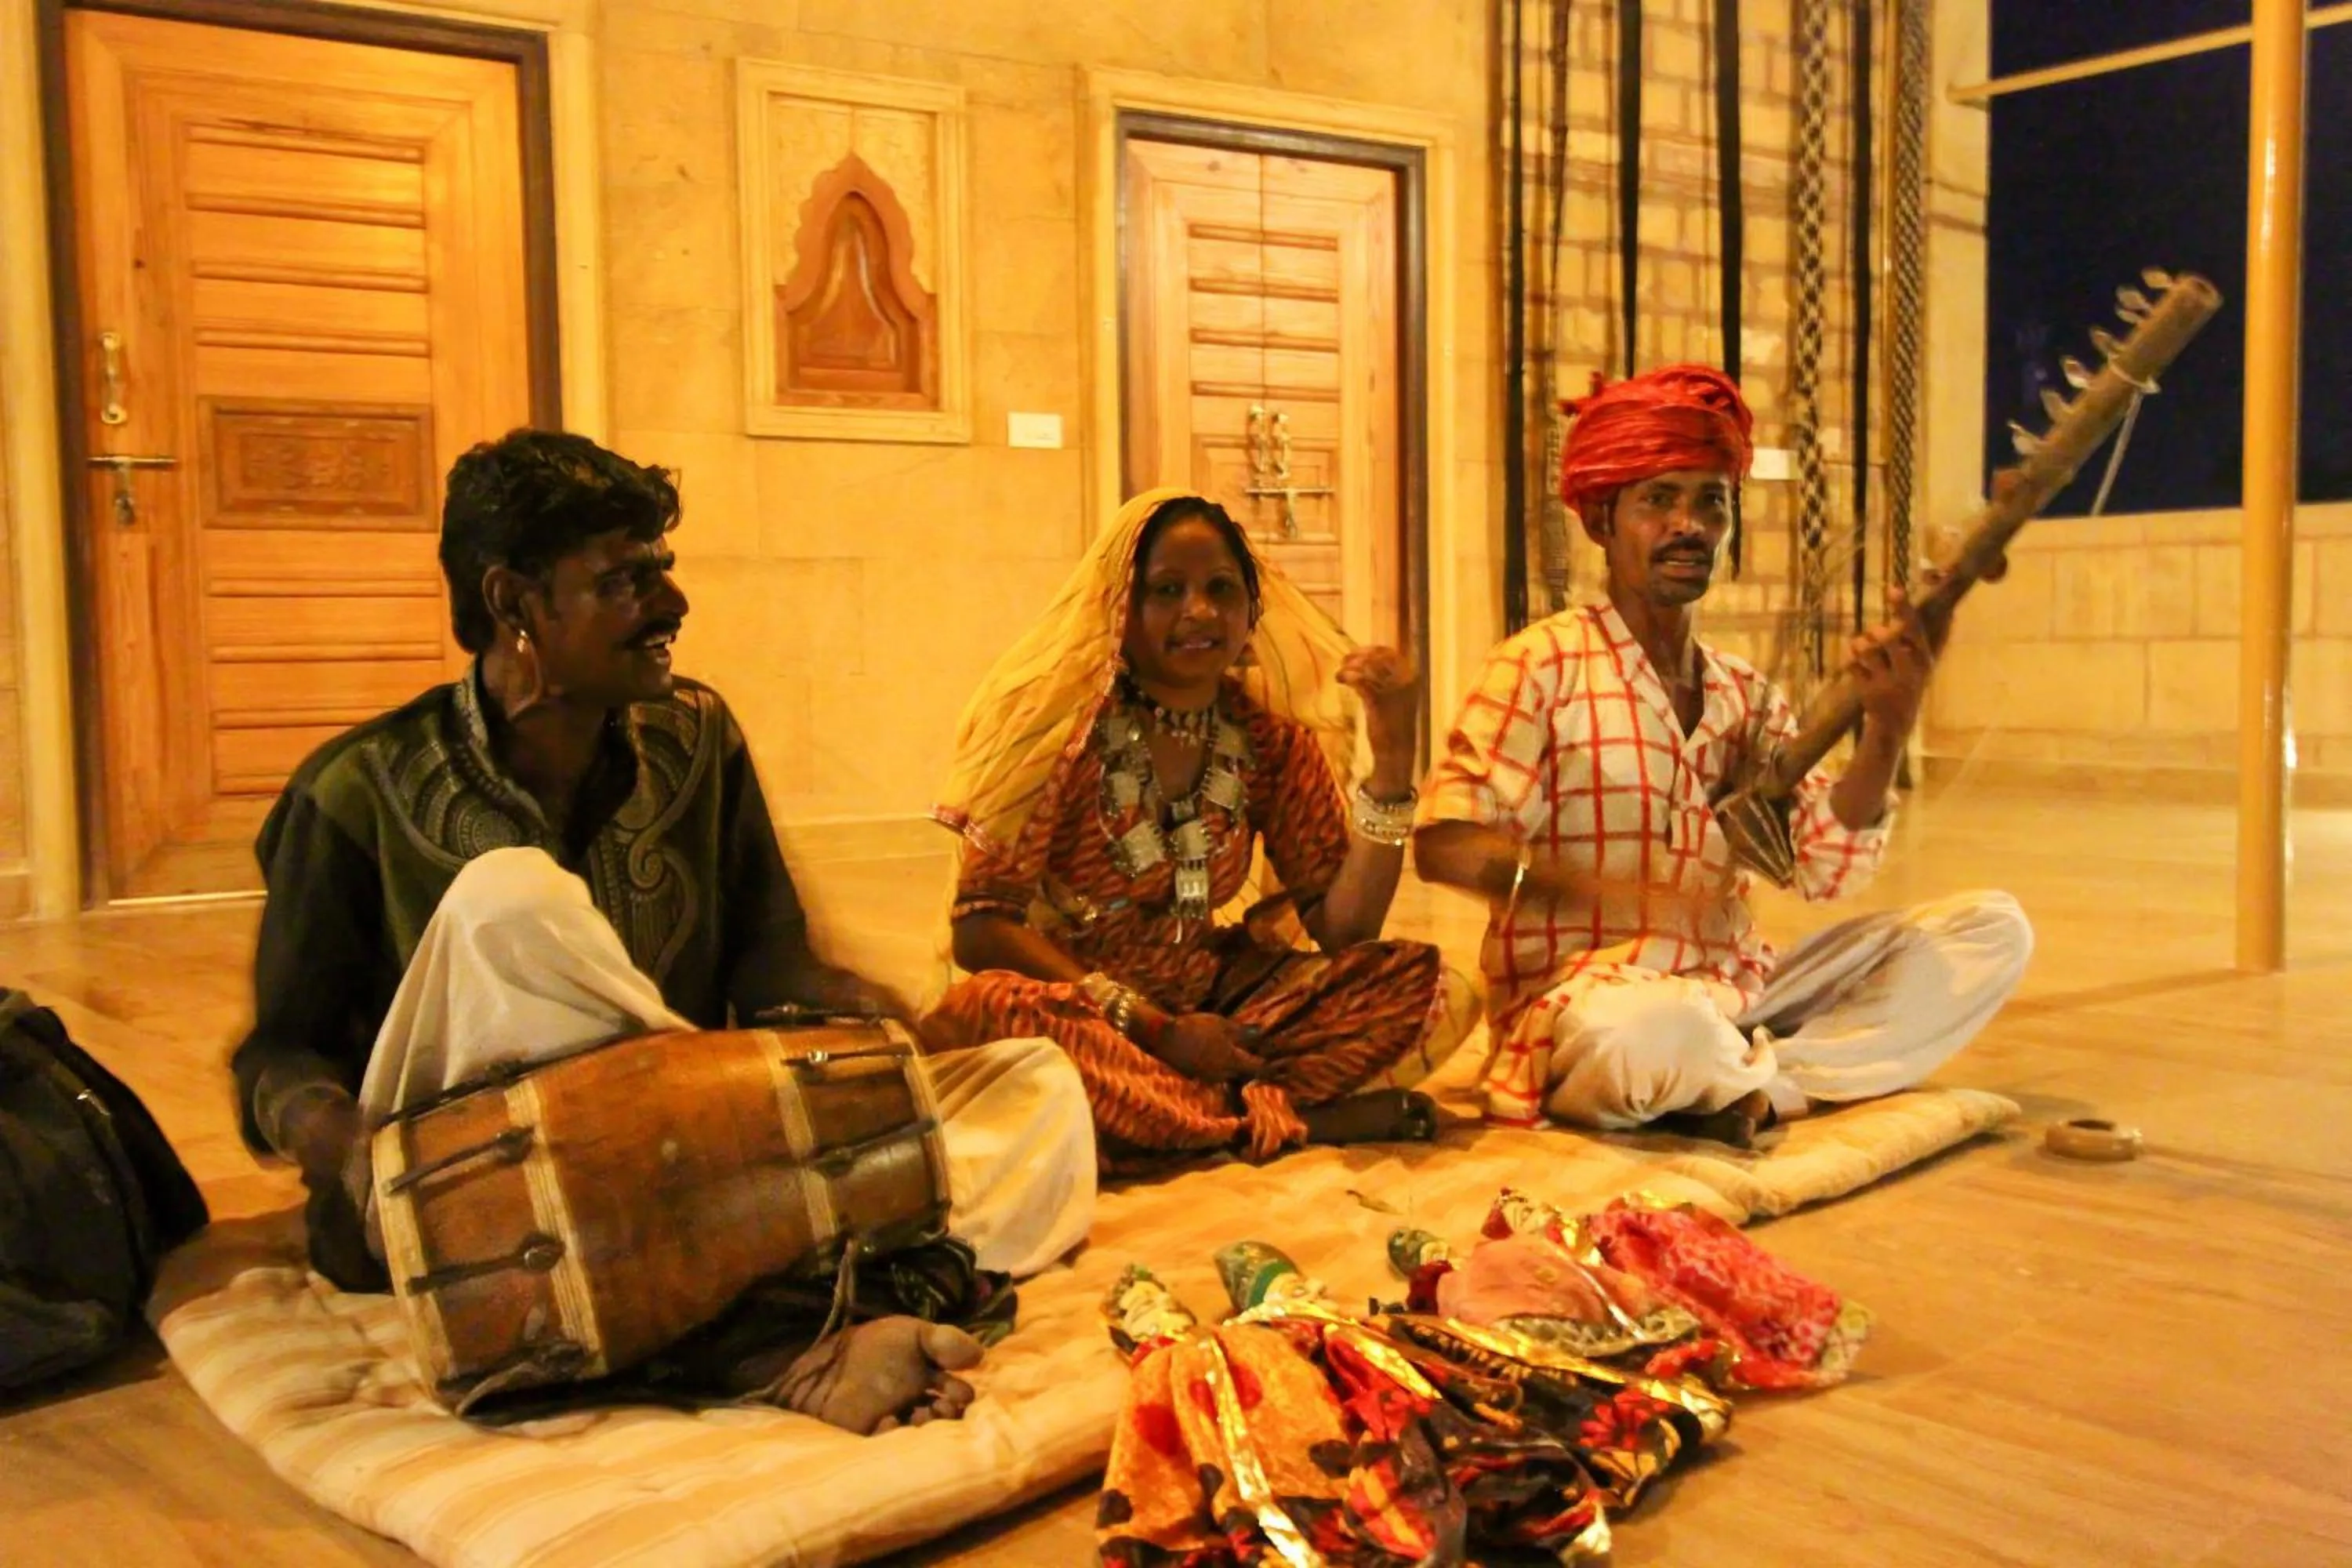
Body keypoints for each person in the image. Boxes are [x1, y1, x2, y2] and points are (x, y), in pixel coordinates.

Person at [229, 429, 1096, 1434]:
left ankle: (755, 1318)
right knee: (512, 899)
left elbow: (765, 958)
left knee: (1034, 1083)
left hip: (688, 1158)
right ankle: (793, 1330)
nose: (672, 606)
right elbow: (277, 1053)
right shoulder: (358, 788)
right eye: (625, 581)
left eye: (663, 572)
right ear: (515, 604)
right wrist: (346, 1152)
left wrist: (866, 1018)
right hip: (481, 1202)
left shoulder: (696, 736)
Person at [1413, 365, 2031, 1145]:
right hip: (1589, 1003)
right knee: (1644, 1034)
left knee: (1988, 930)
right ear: (1603, 520)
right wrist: (1613, 895)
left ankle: (1756, 1083)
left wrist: (1888, 725)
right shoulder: (1540, 666)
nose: (1690, 525)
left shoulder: (1743, 692)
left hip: (1734, 991)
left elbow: (1825, 866)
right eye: (1659, 500)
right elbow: (1445, 845)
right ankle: (1759, 1077)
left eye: (1711, 500)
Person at [927, 489, 1468, 1170]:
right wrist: (1150, 1027)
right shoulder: (1059, 738)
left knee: (1433, 986)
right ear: (1118, 610)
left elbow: (1344, 929)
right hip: (1089, 1006)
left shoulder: (1268, 742)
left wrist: (1391, 764)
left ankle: (1171, 1122)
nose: (1200, 613)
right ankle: (1276, 1119)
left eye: (1221, 589)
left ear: (1252, 609)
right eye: (1167, 590)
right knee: (996, 1011)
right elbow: (980, 928)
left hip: (1213, 998)